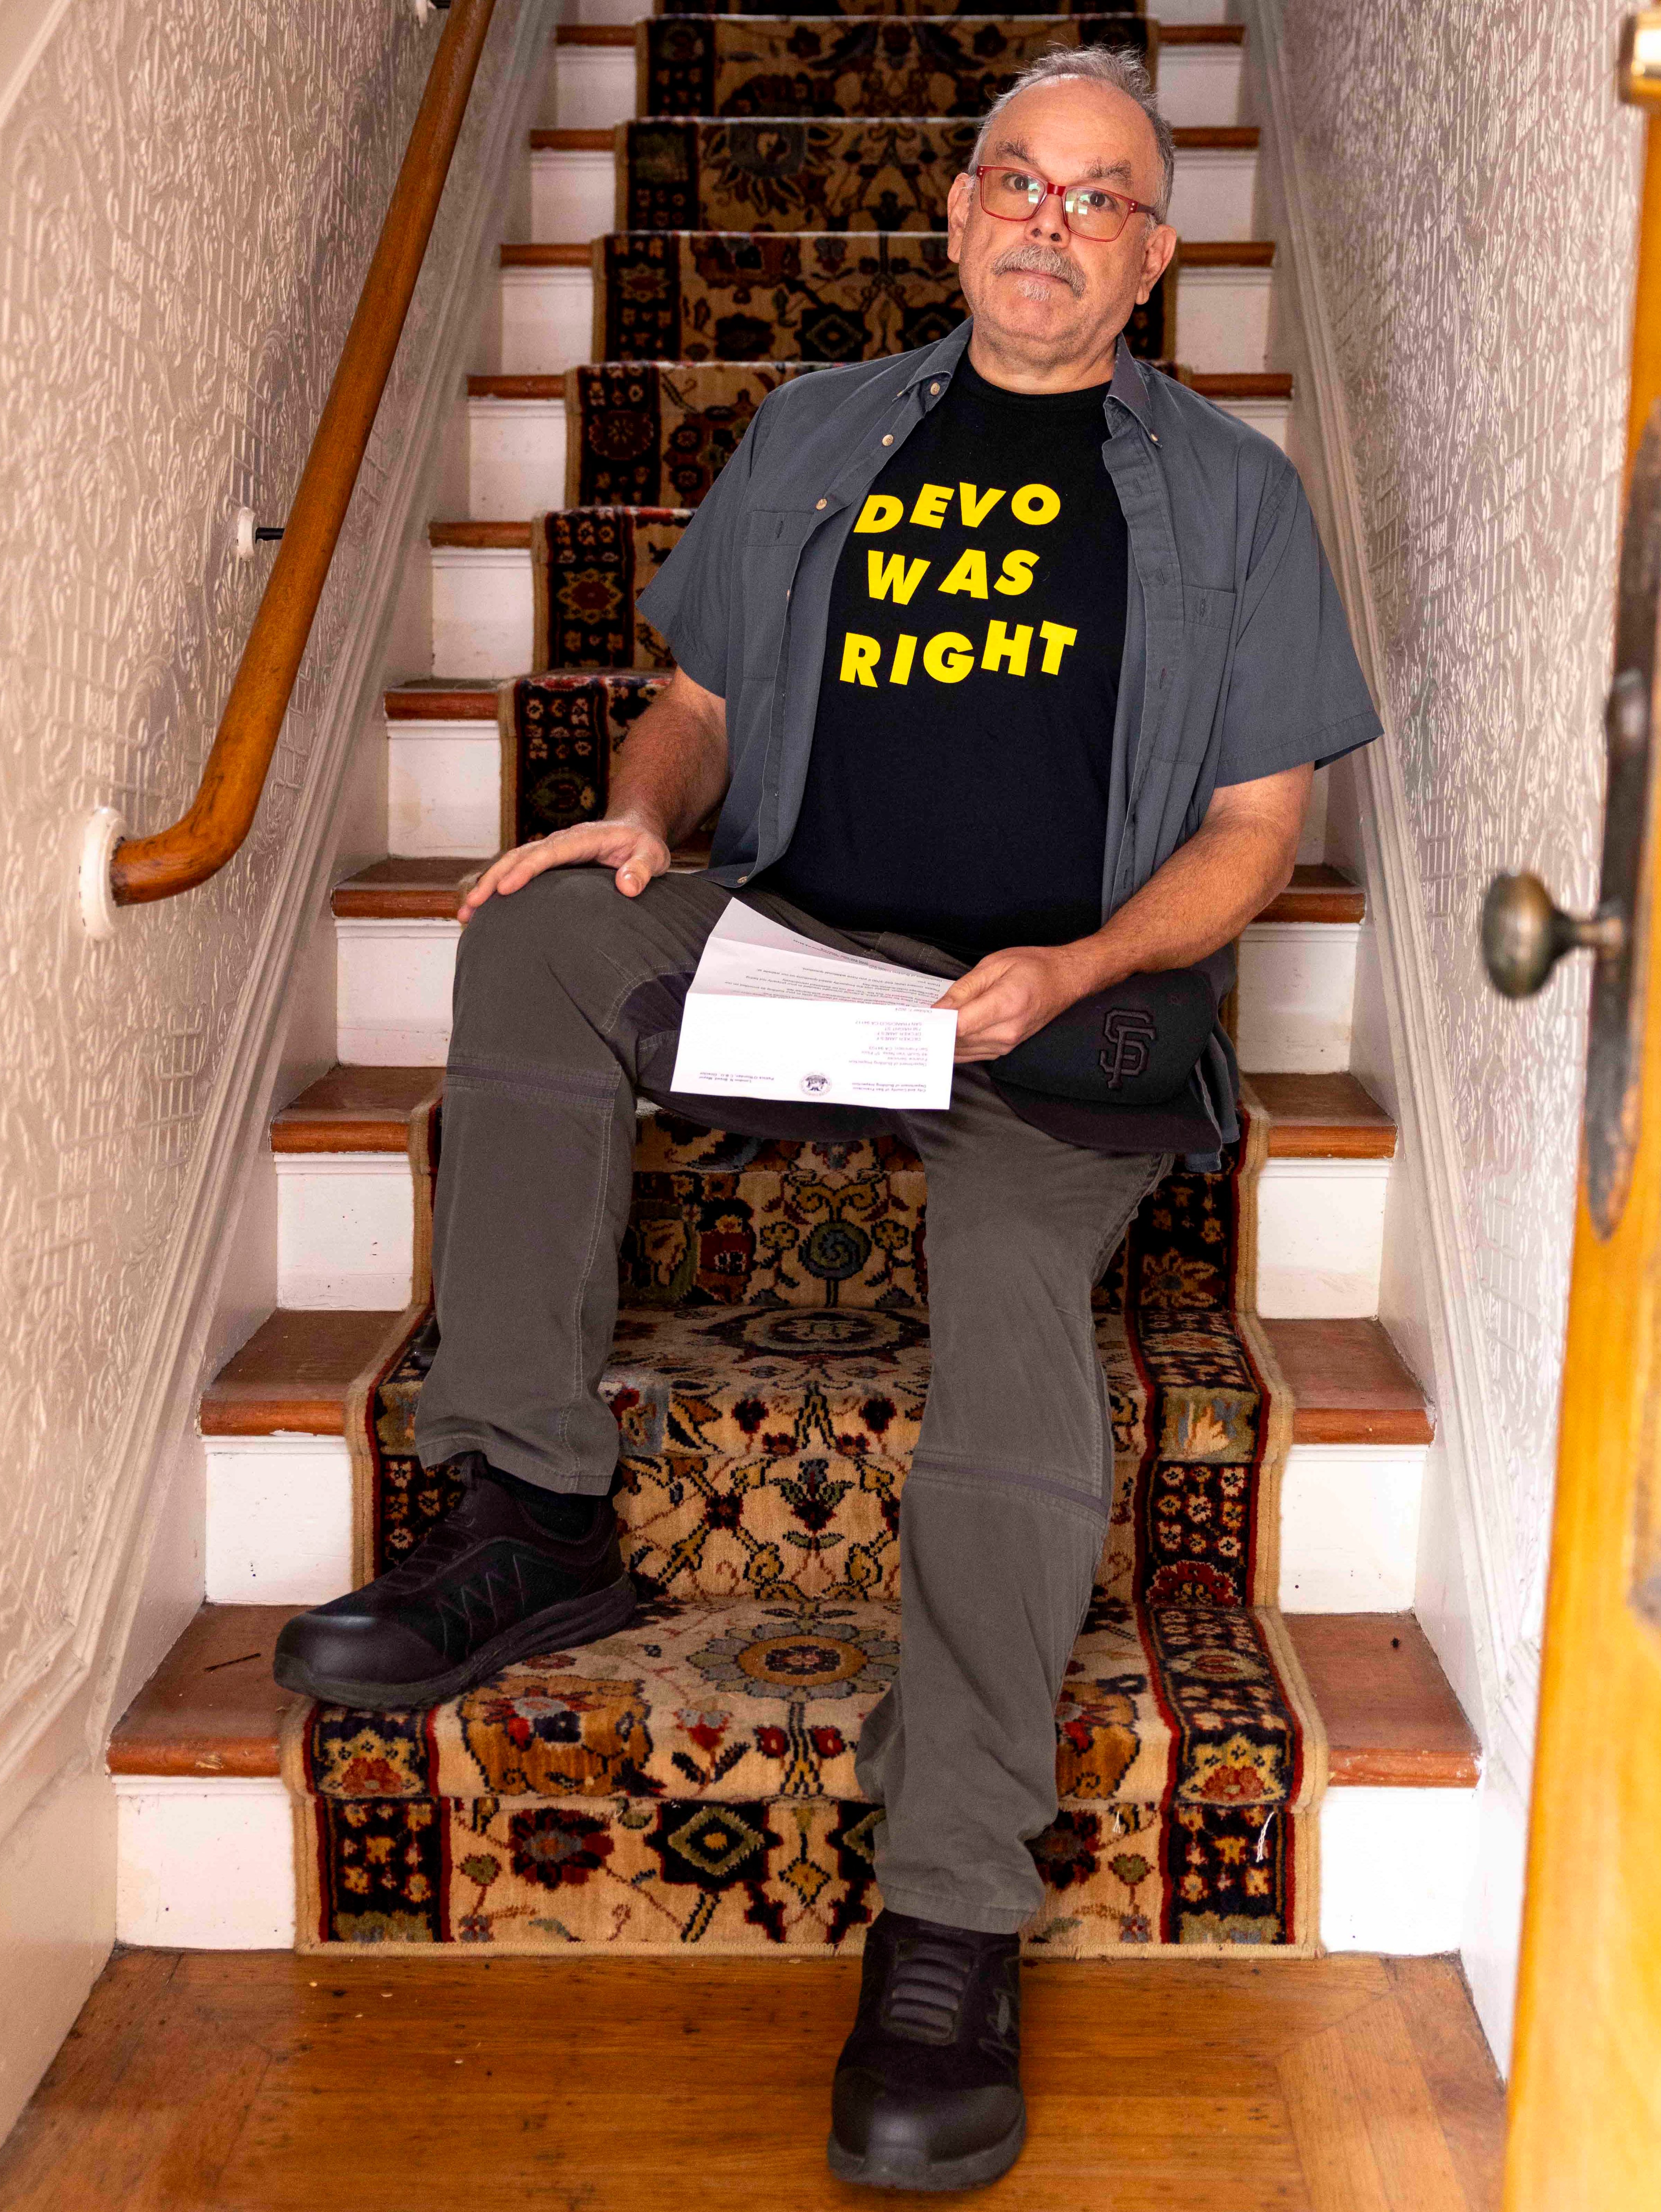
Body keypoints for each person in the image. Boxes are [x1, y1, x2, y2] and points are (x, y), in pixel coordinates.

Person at [274, 43, 1379, 2193]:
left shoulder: (1233, 500)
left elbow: (1259, 828)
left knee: (1006, 1326)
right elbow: (687, 708)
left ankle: (954, 1907)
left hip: (1047, 1023)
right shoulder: (812, 433)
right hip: (801, 970)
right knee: (526, 941)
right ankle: (530, 1512)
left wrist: (1070, 972)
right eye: (1016, 182)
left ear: (1154, 254)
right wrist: (633, 821)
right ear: (956, 212)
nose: (1048, 221)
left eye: (1101, 197)